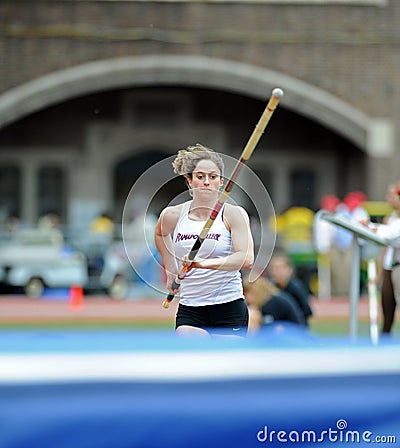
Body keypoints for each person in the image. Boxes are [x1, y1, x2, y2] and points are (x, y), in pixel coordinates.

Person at [154, 144, 254, 337]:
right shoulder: (173, 215)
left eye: (213, 177)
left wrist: (203, 264)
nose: (206, 182)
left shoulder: (233, 214)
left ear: (221, 182)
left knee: (225, 364)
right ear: (190, 181)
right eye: (200, 177)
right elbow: (160, 234)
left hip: (228, 306)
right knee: (190, 350)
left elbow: (246, 258)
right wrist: (172, 270)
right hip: (191, 308)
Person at [361, 183, 400, 334]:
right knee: (387, 306)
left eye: (393, 196)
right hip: (392, 266)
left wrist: (369, 226)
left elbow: (389, 234)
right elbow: (386, 246)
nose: (390, 199)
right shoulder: (391, 219)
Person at [267, 253, 313, 326]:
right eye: (272, 268)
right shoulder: (269, 287)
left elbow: (307, 311)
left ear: (289, 270)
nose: (275, 272)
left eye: (278, 268)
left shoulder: (296, 288)